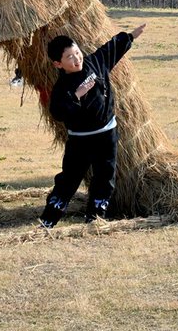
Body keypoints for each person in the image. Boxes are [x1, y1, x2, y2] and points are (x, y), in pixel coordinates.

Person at [39, 23, 146, 228]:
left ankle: (95, 218)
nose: (77, 58)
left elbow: (112, 47)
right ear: (57, 64)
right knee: (68, 179)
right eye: (69, 57)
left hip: (106, 134)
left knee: (105, 176)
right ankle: (48, 219)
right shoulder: (61, 88)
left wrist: (131, 35)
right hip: (80, 140)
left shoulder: (95, 62)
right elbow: (58, 112)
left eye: (77, 53)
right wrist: (77, 95)